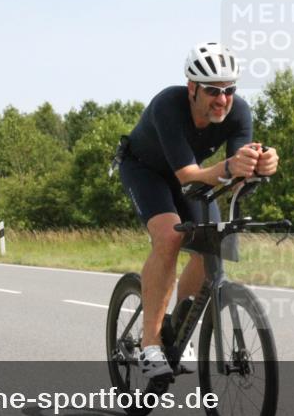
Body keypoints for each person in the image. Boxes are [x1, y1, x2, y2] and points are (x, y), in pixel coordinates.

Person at [117, 42, 279, 378]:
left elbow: (234, 177)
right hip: (145, 170)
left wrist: (259, 167)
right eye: (212, 91)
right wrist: (230, 166)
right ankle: (150, 344)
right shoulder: (168, 105)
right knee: (169, 236)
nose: (222, 99)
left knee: (213, 245)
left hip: (193, 176)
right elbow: (188, 175)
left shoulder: (239, 113)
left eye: (229, 89)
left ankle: (177, 326)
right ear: (192, 88)